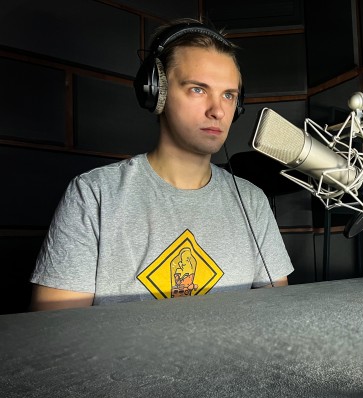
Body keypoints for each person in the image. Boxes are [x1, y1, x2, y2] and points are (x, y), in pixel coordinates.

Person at [29, 19, 294, 311]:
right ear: (157, 93)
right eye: (198, 89)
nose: (218, 111)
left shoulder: (253, 202)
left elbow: (275, 316)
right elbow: (57, 332)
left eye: (228, 95)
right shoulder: (93, 196)